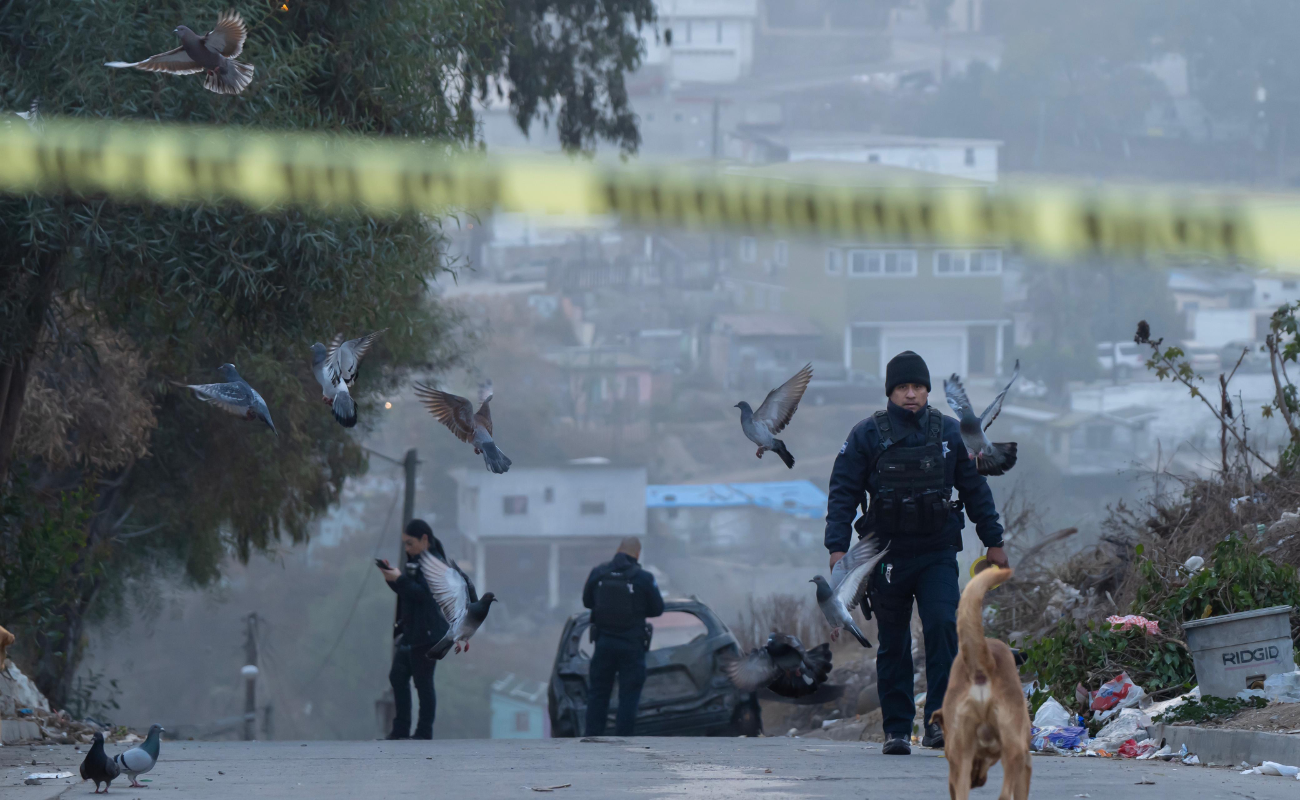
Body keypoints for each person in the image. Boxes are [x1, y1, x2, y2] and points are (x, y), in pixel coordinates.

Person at [825, 350, 1008, 756]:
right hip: (885, 555)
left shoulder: (949, 432)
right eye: (903, 388)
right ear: (891, 392)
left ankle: (939, 724)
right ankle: (895, 729)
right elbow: (843, 493)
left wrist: (993, 540)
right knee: (893, 641)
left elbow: (975, 488)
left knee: (943, 626)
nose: (911, 394)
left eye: (918, 387)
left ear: (927, 390)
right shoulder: (866, 435)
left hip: (937, 550)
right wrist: (837, 549)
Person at [581, 536, 664, 736]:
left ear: (618, 549)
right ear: (637, 554)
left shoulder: (599, 572)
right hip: (631, 647)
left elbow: (586, 601)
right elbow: (658, 609)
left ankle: (592, 739)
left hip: (603, 644)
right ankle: (622, 742)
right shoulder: (644, 578)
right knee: (629, 697)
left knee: (598, 694)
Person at [377, 519, 449, 740]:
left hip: (428, 635)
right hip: (412, 632)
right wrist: (393, 579)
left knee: (423, 683)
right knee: (398, 676)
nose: (407, 549)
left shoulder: (435, 564)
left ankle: (423, 731)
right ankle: (401, 729)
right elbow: (410, 593)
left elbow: (425, 596)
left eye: (410, 544)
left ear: (424, 540)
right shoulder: (417, 560)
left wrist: (400, 579)